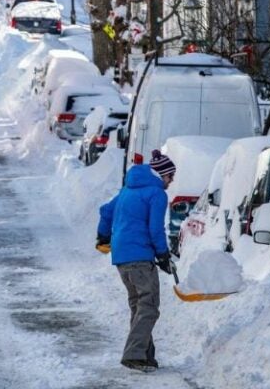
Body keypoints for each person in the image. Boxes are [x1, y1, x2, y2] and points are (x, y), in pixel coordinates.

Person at [96, 149, 176, 373]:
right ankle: (133, 354)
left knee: (139, 305)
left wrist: (102, 236)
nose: (172, 181)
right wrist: (162, 253)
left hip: (121, 257)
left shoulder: (127, 190)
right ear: (161, 175)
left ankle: (145, 355)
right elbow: (155, 228)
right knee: (149, 306)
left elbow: (105, 211)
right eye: (170, 176)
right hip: (140, 256)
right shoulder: (156, 194)